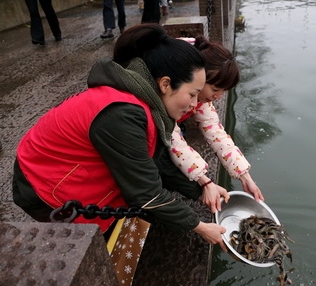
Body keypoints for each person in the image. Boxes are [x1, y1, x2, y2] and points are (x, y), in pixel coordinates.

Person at [13, 23, 228, 252]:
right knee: (92, 248)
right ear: (165, 84)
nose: (195, 104)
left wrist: (202, 189)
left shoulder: (142, 98)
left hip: (66, 168)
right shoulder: (124, 113)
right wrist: (200, 226)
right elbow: (146, 192)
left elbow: (154, 161)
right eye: (193, 94)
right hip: (40, 182)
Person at [162, 36, 264, 214]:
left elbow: (216, 132)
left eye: (223, 91)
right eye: (215, 89)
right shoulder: (165, 97)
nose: (219, 97)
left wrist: (244, 176)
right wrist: (205, 181)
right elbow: (172, 137)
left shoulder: (201, 99)